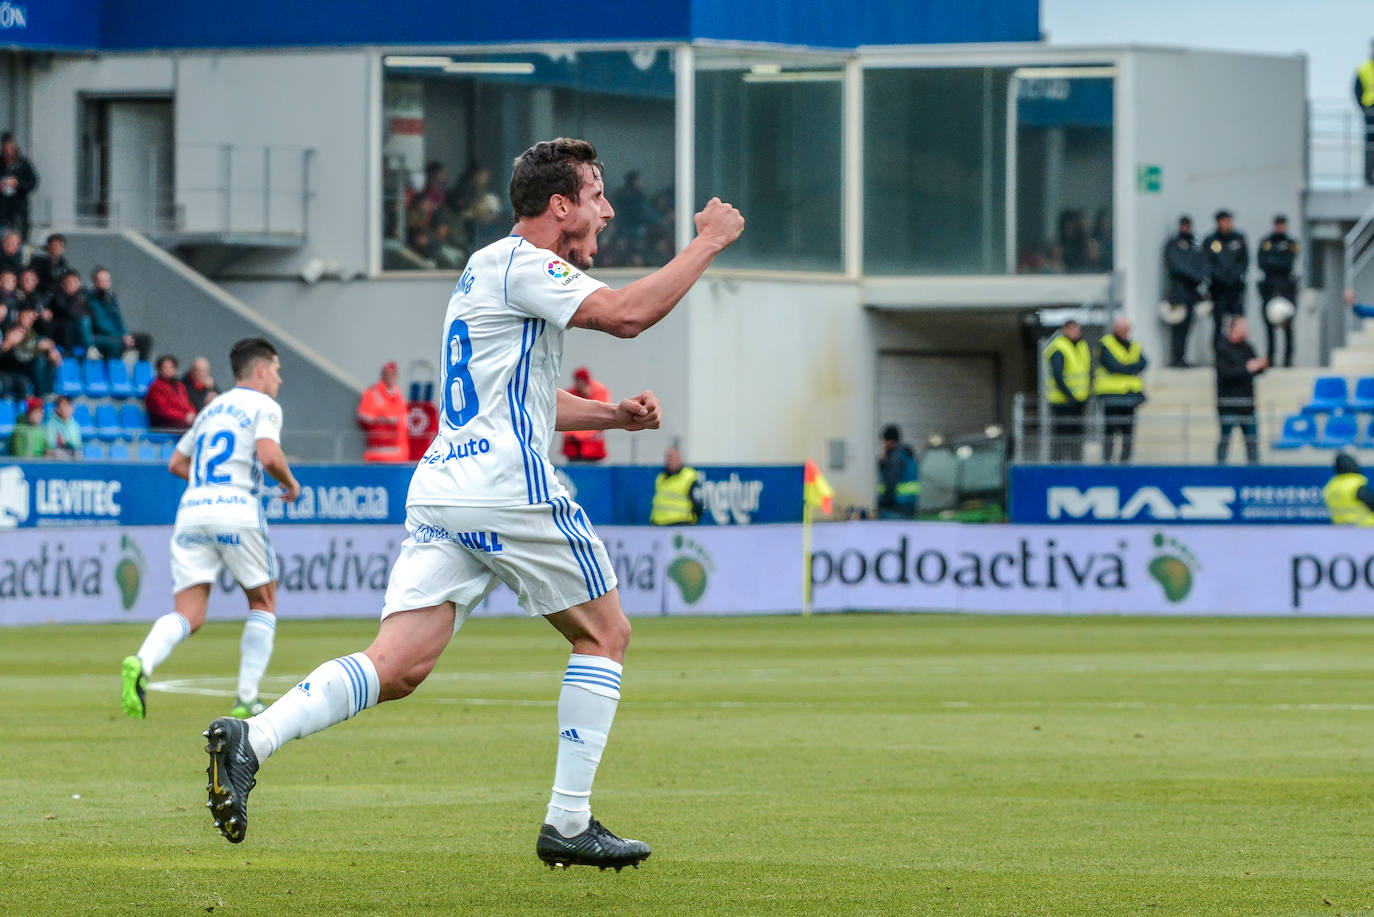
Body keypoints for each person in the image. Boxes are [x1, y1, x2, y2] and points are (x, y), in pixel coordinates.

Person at [200, 138, 743, 871]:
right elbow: (626, 314)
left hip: (446, 489)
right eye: (595, 196)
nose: (608, 211)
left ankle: (251, 739)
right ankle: (569, 821)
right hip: (506, 487)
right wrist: (706, 242)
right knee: (605, 634)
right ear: (560, 206)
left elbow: (522, 398)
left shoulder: (487, 269)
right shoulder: (528, 264)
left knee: (396, 666)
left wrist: (612, 416)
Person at [121, 338, 302, 722]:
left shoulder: (210, 409)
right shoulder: (264, 406)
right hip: (237, 508)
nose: (279, 380)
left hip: (192, 511)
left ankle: (142, 661)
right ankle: (247, 698)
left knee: (189, 612)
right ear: (260, 370)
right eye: (277, 370)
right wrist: (290, 484)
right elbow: (269, 456)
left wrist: (208, 488)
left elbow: (175, 463)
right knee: (263, 601)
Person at [1093, 315, 1146, 463]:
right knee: (1110, 431)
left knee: (1128, 431)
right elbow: (1112, 366)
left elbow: (1143, 362)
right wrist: (1131, 368)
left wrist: (1125, 368)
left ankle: (1125, 461)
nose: (1125, 332)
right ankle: (1107, 461)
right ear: (1115, 329)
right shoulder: (1106, 344)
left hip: (1130, 396)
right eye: (1122, 328)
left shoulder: (1134, 345)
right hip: (1110, 396)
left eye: (1127, 329)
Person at [1215, 316, 1267, 465]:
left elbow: (1256, 370)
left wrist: (1260, 366)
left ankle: (1253, 470)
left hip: (1247, 404)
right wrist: (1247, 368)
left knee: (1252, 441)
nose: (1246, 330)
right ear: (1233, 329)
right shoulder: (1222, 348)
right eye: (1242, 327)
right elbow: (1226, 374)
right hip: (1228, 404)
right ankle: (1220, 468)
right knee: (1225, 439)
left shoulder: (1248, 348)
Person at [1163, 215, 1208, 367]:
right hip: (1178, 293)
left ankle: (1183, 357)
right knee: (1178, 326)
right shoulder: (1174, 244)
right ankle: (1176, 357)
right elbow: (1177, 266)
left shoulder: (1195, 245)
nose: (1186, 229)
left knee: (1188, 326)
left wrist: (1199, 277)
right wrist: (1195, 275)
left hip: (1192, 292)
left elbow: (1203, 264)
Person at [1042, 319, 1090, 462]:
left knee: (1077, 436)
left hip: (1079, 401)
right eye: (1073, 329)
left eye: (1078, 329)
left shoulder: (1082, 346)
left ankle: (1076, 462)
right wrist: (1070, 396)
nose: (1077, 332)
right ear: (1065, 330)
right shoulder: (1059, 348)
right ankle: (1057, 464)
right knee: (1061, 436)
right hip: (1062, 402)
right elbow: (1057, 376)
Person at [1257, 215, 1298, 368]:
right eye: (1278, 224)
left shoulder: (1291, 243)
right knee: (1269, 324)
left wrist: (1273, 261)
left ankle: (1288, 359)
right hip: (1269, 288)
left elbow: (1289, 263)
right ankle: (1271, 358)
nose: (1280, 227)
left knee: (1287, 324)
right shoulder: (1266, 242)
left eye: (1282, 225)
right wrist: (1277, 261)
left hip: (1287, 288)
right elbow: (1262, 263)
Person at [88, 267, 153, 362]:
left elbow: (118, 319)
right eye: (101, 281)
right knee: (117, 344)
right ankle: (113, 371)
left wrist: (126, 335)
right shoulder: (90, 299)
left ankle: (142, 372)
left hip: (118, 335)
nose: (105, 284)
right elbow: (100, 324)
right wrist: (121, 337)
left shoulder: (111, 298)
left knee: (145, 339)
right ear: (94, 282)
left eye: (107, 281)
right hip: (101, 336)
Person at [1203, 211, 1248, 347]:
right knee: (1218, 322)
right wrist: (1221, 277)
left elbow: (1243, 261)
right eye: (1224, 221)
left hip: (1235, 287)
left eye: (1229, 221)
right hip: (1218, 288)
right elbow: (1207, 263)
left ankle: (1238, 352)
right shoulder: (1210, 241)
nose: (1227, 224)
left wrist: (1233, 276)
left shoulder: (1239, 238)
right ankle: (1218, 352)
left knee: (1237, 321)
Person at [0, 304, 61, 396]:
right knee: (38, 361)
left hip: (25, 369)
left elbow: (38, 343)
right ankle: (41, 394)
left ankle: (48, 393)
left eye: (33, 315)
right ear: (19, 315)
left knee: (50, 357)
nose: (31, 318)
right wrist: (7, 345)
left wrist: (50, 349)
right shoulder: (8, 330)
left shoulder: (32, 333)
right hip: (11, 369)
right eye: (28, 314)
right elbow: (19, 354)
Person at [356, 360, 409, 463]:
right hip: (379, 455)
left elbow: (403, 424)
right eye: (387, 374)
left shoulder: (399, 396)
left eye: (392, 374)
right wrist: (385, 421)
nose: (390, 377)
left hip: (400, 456)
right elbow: (364, 418)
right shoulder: (373, 393)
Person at [560, 366, 611, 462]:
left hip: (593, 450)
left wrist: (578, 434)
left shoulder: (599, 391)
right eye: (577, 380)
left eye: (582, 380)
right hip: (573, 448)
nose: (579, 383)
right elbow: (564, 416)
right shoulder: (571, 392)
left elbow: (600, 418)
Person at [0, 133, 39, 242]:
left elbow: (33, 183)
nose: (8, 152)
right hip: (2, 211)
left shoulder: (23, 164)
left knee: (18, 241)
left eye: (10, 148)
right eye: (5, 149)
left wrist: (18, 183)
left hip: (18, 211)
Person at [875, 424, 920, 519]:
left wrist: (884, 503)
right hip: (909, 505)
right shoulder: (908, 454)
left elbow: (891, 481)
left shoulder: (895, 456)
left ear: (889, 441)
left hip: (894, 507)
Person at [650, 445, 702, 525]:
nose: (669, 460)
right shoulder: (661, 477)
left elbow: (698, 504)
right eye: (667, 457)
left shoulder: (689, 476)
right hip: (659, 525)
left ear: (680, 458)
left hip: (680, 524)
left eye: (672, 457)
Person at [145, 354, 198, 432]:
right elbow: (164, 410)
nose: (168, 370)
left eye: (171, 367)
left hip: (181, 421)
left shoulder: (180, 386)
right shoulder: (155, 387)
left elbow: (188, 404)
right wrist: (184, 417)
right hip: (164, 423)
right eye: (165, 367)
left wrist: (192, 413)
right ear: (159, 369)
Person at [49, 270, 95, 356]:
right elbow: (70, 313)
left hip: (80, 331)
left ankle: (91, 349)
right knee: (83, 321)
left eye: (75, 282)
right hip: (64, 334)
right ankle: (90, 348)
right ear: (63, 284)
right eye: (69, 282)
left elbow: (92, 315)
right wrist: (75, 298)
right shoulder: (58, 298)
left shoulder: (83, 297)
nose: (72, 285)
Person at [1323, 452, 1374, 525]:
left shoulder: (1331, 485)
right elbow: (1371, 503)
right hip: (1365, 527)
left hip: (1341, 528)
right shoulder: (1355, 483)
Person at [1356, 40, 1374, 186]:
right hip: (1370, 111)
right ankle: (1368, 178)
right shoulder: (1364, 69)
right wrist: (1364, 109)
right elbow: (1357, 90)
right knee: (1370, 146)